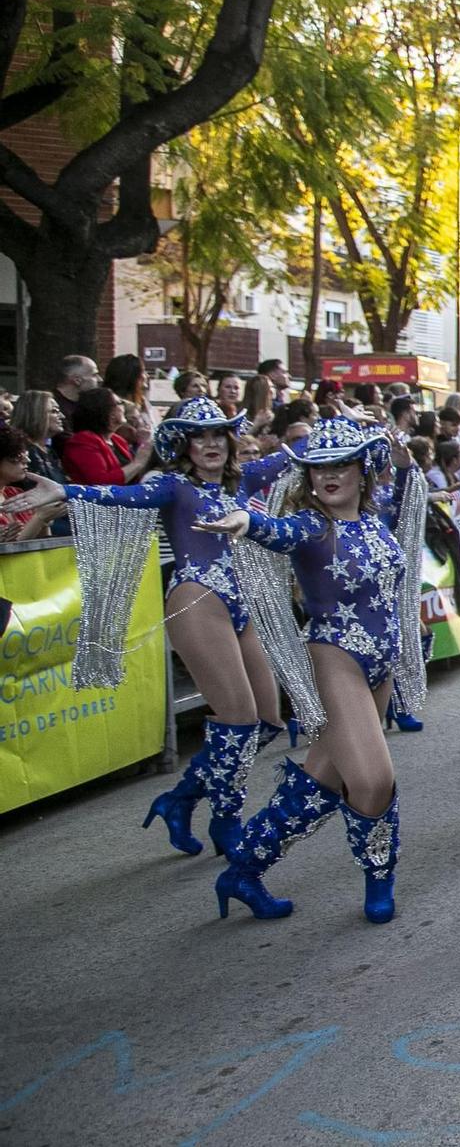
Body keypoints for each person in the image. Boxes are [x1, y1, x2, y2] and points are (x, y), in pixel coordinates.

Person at [5, 399, 294, 855]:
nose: (211, 443)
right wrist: (66, 492)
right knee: (237, 720)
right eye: (199, 436)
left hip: (241, 603)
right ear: (184, 444)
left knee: (267, 721)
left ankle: (178, 800)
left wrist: (346, 436)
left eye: (218, 433)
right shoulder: (173, 486)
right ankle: (227, 821)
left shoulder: (245, 480)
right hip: (198, 599)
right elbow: (120, 494)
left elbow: (293, 455)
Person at [193, 417, 426, 924]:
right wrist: (247, 524)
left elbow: (411, 494)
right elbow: (276, 531)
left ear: (364, 470)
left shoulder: (375, 515)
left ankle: (243, 870)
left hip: (380, 663)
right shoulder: (312, 525)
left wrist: (401, 453)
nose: (329, 475)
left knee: (323, 777)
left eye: (342, 463)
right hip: (336, 658)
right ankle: (378, 877)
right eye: (318, 467)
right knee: (372, 780)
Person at [57, 387, 134, 485]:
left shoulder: (118, 440)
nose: (124, 407)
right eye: (120, 403)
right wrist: (139, 462)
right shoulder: (82, 441)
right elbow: (100, 482)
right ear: (108, 411)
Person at [102, 354, 155, 457]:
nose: (147, 376)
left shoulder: (142, 402)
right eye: (143, 372)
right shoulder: (116, 407)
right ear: (132, 376)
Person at [12, 390, 67, 485]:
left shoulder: (50, 451)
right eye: (54, 411)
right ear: (35, 414)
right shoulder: (21, 451)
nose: (62, 416)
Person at [51, 354, 98, 435]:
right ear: (77, 380)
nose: (100, 379)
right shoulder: (51, 405)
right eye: (94, 375)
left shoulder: (89, 404)